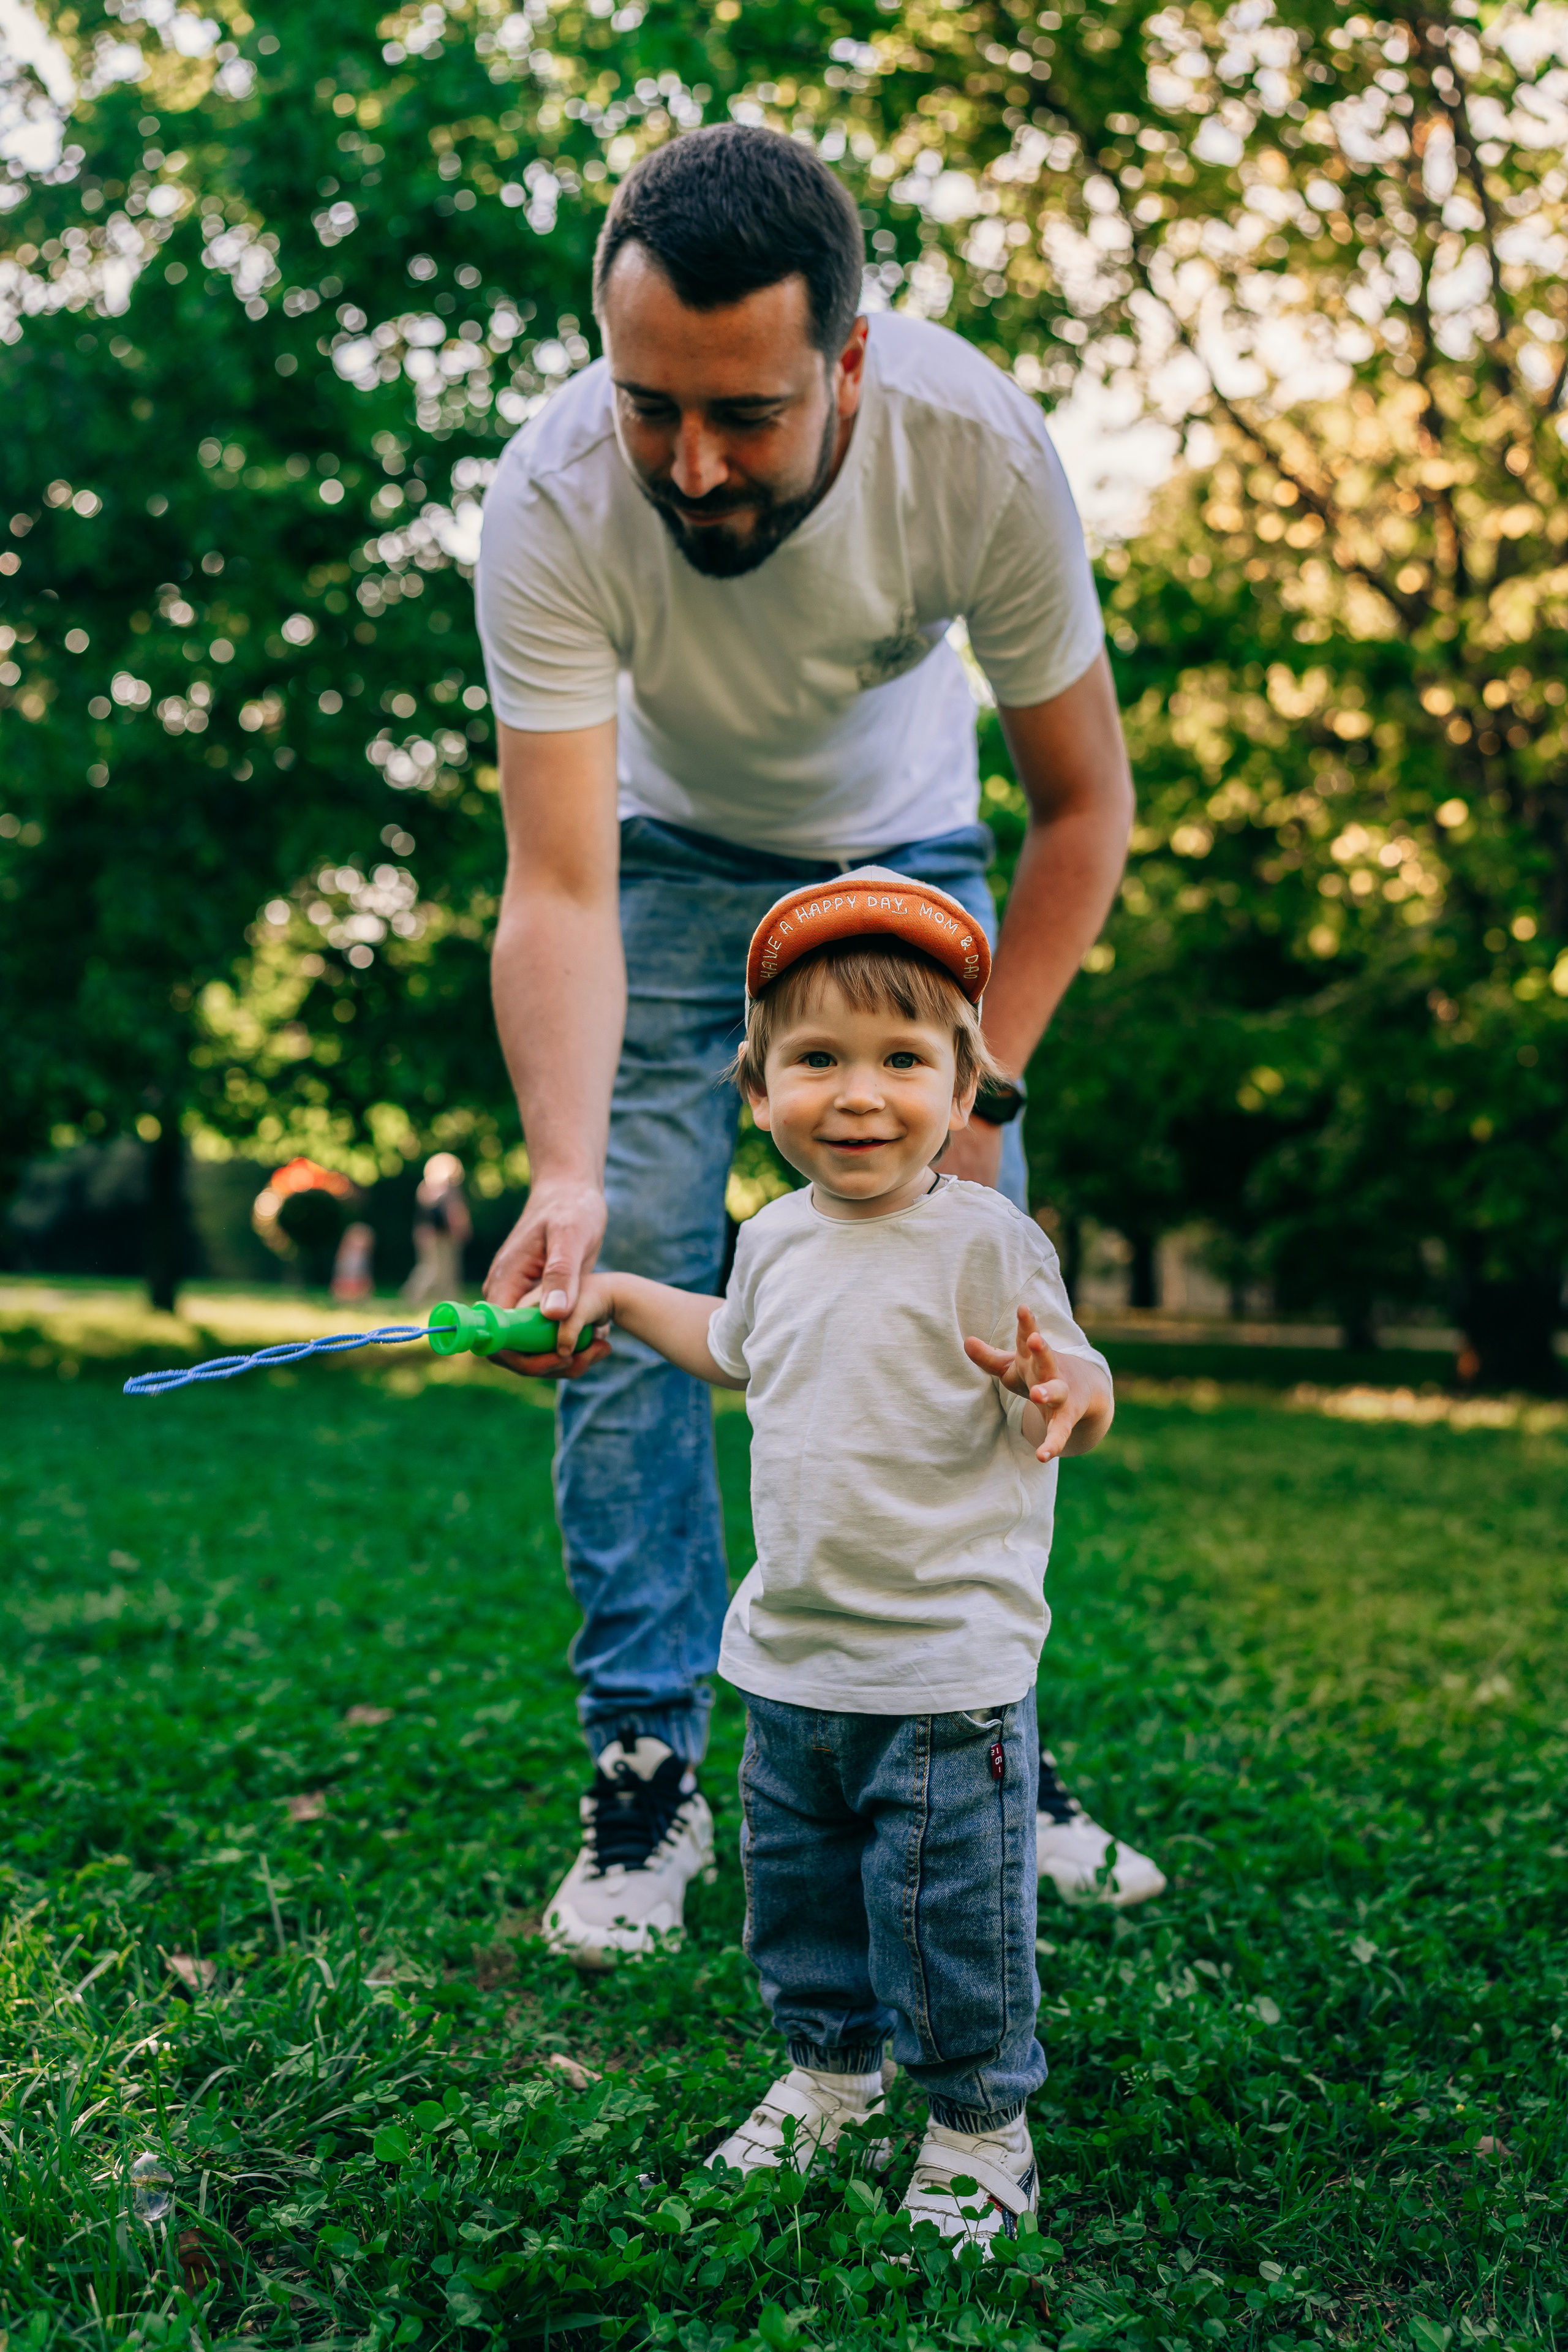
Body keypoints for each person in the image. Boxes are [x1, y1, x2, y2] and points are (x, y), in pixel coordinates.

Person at [475, 122, 1163, 1966]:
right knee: (607, 1263)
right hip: (667, 862)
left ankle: (990, 1737)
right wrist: (560, 1168)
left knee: (972, 1300)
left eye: (748, 416)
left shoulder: (976, 452)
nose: (691, 465)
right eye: (648, 406)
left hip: (908, 853)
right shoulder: (549, 496)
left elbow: (1081, 811)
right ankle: (646, 1763)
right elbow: (556, 880)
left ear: (847, 361)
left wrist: (976, 1088)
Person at [525, 881, 1114, 2244]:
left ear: (963, 1085)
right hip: (789, 1663)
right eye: (817, 1060)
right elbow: (727, 1343)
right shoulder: (776, 1243)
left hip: (943, 1671)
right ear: (756, 1088)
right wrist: (613, 1294)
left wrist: (1062, 1388)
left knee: (950, 1922)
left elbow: (1068, 1362)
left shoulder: (985, 1239)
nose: (859, 1095)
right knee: (798, 1902)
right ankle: (830, 2078)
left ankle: (977, 2125)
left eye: (903, 1060)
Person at [401, 1153, 472, 1308]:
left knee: (446, 1271)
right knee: (432, 1269)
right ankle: (414, 1294)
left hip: (440, 1235)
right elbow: (452, 1212)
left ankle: (447, 1301)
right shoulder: (437, 1189)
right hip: (434, 1235)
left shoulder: (431, 1188)